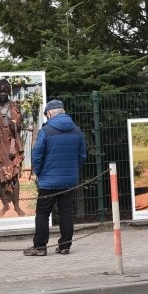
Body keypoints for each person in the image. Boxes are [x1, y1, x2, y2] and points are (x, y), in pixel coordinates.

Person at [23, 99, 86, 256]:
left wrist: (38, 172)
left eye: (46, 115)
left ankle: (40, 247)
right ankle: (65, 246)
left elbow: (37, 155)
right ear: (63, 112)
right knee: (66, 211)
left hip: (48, 181)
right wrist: (72, 170)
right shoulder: (76, 130)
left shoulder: (46, 131)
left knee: (43, 213)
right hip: (69, 180)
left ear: (50, 113)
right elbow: (81, 155)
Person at [0, 78, 25, 217]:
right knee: (1, 176)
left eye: (5, 91)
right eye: (0, 91)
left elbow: (21, 125)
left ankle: (17, 206)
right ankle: (5, 206)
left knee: (14, 175)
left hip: (13, 144)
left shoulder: (15, 106)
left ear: (8, 91)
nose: (2, 93)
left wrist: (15, 125)